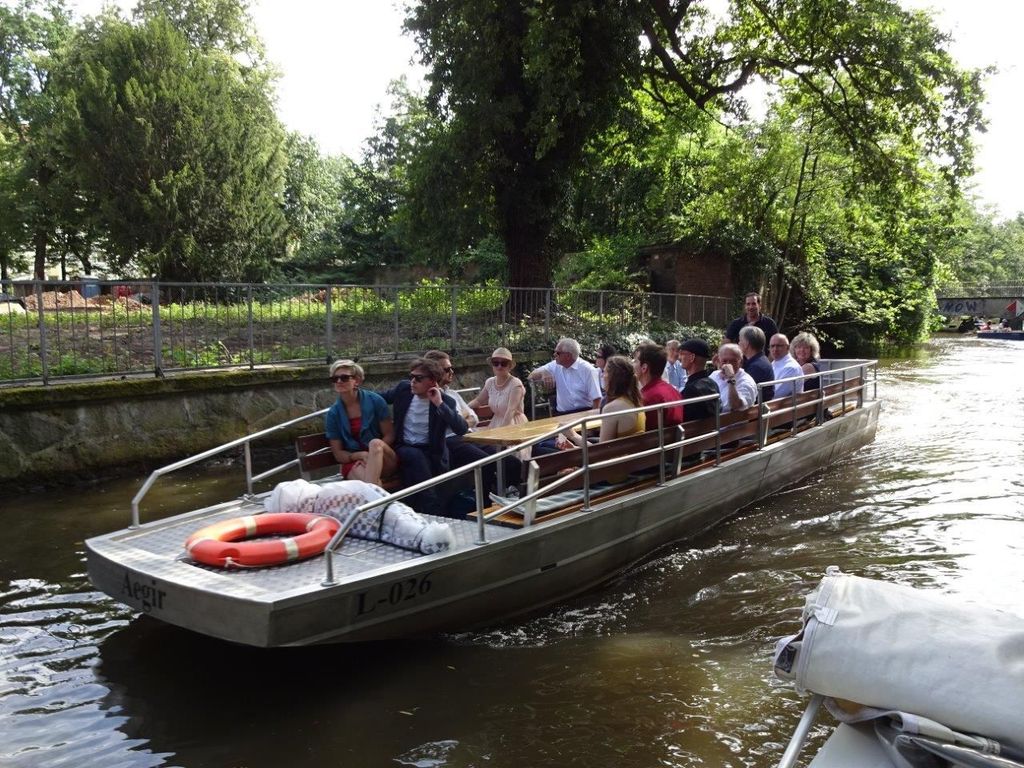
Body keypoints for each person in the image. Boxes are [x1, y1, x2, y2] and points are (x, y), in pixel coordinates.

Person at [379, 358, 470, 513]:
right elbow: (379, 397)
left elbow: (461, 428)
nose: (413, 381)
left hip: (432, 451)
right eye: (411, 377)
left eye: (419, 378)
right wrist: (355, 392)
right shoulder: (403, 390)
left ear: (433, 381)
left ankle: (428, 509)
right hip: (405, 447)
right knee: (415, 457)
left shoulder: (445, 401)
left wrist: (439, 404)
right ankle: (432, 508)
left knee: (433, 466)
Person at [324, 359, 398, 487]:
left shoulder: (376, 401)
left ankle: (373, 502)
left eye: (344, 378)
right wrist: (360, 455)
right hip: (354, 460)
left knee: (375, 443)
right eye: (335, 379)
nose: (339, 381)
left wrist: (372, 456)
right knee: (371, 486)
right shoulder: (333, 414)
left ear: (356, 381)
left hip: (382, 457)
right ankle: (378, 503)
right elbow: (338, 454)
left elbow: (390, 435)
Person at [559, 356, 645, 447]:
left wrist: (573, 436)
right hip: (630, 456)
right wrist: (573, 447)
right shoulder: (635, 401)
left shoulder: (613, 408)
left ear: (613, 377)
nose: (602, 375)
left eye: (604, 372)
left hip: (618, 459)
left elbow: (602, 452)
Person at [528, 337, 601, 415]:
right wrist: (544, 373)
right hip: (562, 414)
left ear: (568, 355)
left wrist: (592, 423)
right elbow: (531, 376)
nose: (554, 354)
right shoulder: (555, 365)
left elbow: (597, 399)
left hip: (585, 412)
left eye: (557, 353)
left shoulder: (588, 370)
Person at [468, 347, 528, 430]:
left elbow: (511, 410)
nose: (499, 366)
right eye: (496, 363)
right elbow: (478, 401)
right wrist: (464, 409)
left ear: (509, 366)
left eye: (503, 363)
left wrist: (500, 432)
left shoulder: (515, 384)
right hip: (496, 423)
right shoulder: (490, 382)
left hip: (514, 425)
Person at [632, 342, 683, 428]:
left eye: (635, 361)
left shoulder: (646, 398)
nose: (633, 364)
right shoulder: (674, 392)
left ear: (644, 368)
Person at [678, 339, 720, 420]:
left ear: (692, 357)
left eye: (682, 353)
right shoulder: (713, 384)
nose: (679, 357)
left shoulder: (691, 390)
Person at [709, 343, 757, 413]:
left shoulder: (746, 381)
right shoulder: (714, 375)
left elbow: (737, 406)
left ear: (740, 362)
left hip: (730, 422)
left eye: (733, 361)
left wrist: (731, 378)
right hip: (712, 419)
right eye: (724, 361)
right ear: (719, 361)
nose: (728, 365)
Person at [738, 325, 775, 401]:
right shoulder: (759, 360)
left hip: (756, 410)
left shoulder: (757, 367)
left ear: (746, 344)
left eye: (740, 340)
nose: (738, 343)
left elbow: (740, 392)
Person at [768, 334, 805, 398]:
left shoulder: (792, 368)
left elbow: (775, 395)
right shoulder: (774, 363)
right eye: (772, 346)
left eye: (779, 346)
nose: (775, 349)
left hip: (783, 407)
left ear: (788, 347)